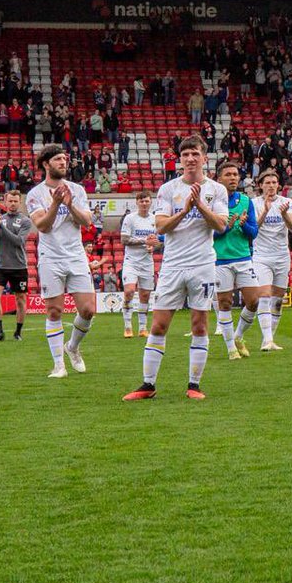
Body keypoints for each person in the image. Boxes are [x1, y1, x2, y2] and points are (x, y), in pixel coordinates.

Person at [123, 135, 228, 401]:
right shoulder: (169, 189)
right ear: (180, 160)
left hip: (203, 264)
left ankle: (194, 384)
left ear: (205, 157)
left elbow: (220, 225)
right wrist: (184, 211)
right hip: (172, 265)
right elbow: (160, 227)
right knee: (158, 324)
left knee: (199, 324)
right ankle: (148, 385)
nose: (190, 159)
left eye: (195, 154)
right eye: (185, 155)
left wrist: (200, 206)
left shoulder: (217, 190)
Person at [26, 144, 98, 378]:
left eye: (64, 159)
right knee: (54, 310)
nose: (63, 163)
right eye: (57, 159)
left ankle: (73, 347)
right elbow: (43, 226)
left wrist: (69, 203)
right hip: (50, 257)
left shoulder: (77, 189)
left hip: (76, 255)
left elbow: (87, 221)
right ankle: (58, 365)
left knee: (88, 309)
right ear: (46, 164)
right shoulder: (35, 194)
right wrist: (56, 203)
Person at [213, 161, 272, 360]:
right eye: (228, 174)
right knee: (225, 303)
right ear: (219, 178)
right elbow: (207, 235)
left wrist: (245, 225)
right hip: (220, 260)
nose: (233, 178)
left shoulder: (246, 201)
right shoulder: (212, 203)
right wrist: (227, 227)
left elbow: (254, 233)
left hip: (244, 258)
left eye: (235, 174)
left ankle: (238, 336)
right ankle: (231, 349)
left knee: (254, 301)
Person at [251, 169, 292, 351]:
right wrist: (264, 211)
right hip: (261, 256)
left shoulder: (287, 202)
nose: (271, 186)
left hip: (281, 256)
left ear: (278, 185)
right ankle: (267, 340)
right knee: (264, 295)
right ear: (260, 185)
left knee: (278, 301)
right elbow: (253, 229)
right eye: (267, 183)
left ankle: (270, 338)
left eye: (273, 182)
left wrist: (285, 214)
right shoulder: (254, 203)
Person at [0, 190, 32, 342]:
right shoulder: (1, 219)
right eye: (10, 201)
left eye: (15, 201)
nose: (12, 204)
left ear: (20, 202)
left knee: (20, 300)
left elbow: (18, 241)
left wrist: (2, 226)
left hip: (19, 266)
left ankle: (18, 332)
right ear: (5, 202)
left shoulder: (25, 221)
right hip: (1, 266)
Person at [119, 190, 161, 338]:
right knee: (129, 291)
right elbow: (124, 240)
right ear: (136, 203)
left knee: (145, 295)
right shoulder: (130, 218)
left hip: (147, 263)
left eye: (147, 201)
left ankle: (143, 327)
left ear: (151, 202)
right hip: (131, 262)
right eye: (141, 201)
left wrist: (153, 246)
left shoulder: (155, 219)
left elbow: (159, 242)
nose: (144, 203)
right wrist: (145, 241)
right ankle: (128, 325)